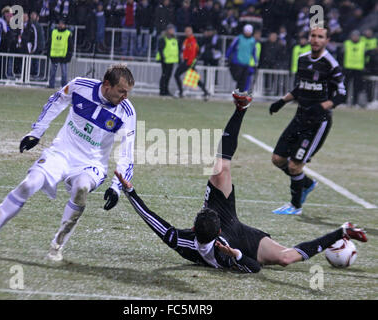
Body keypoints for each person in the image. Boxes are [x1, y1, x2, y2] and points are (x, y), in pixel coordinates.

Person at [114, 91, 367, 274]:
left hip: (225, 217)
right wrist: (236, 254)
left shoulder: (182, 241)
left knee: (220, 167)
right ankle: (341, 230)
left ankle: (240, 108)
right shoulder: (223, 251)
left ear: (193, 227)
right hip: (243, 242)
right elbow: (253, 267)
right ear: (215, 232)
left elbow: (154, 221)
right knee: (286, 258)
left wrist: (130, 191)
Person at [0, 64, 137, 263]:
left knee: (81, 187)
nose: (125, 97)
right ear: (107, 84)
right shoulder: (80, 86)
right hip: (61, 153)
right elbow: (57, 100)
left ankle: (57, 244)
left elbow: (127, 152)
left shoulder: (127, 112)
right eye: (121, 91)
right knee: (29, 183)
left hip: (92, 163)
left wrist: (116, 187)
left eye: (128, 92)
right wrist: (36, 132)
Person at [269, 27, 346, 215]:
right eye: (313, 36)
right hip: (299, 117)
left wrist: (322, 106)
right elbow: (300, 87)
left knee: (295, 165)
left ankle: (295, 206)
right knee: (278, 159)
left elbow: (342, 94)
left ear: (327, 40)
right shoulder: (302, 59)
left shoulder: (331, 64)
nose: (316, 39)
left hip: (318, 122)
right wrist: (281, 102)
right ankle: (307, 183)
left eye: (320, 37)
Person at [174, 26, 209, 100]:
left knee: (176, 75)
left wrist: (189, 63)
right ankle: (205, 92)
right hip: (188, 61)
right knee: (195, 78)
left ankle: (181, 92)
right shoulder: (187, 40)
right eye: (186, 31)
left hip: (188, 62)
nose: (186, 32)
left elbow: (193, 53)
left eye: (188, 31)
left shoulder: (192, 41)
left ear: (191, 32)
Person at [226, 24, 257, 92]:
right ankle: (238, 92)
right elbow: (231, 47)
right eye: (246, 31)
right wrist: (227, 56)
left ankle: (239, 94)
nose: (247, 33)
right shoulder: (238, 38)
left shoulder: (252, 40)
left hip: (246, 63)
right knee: (237, 78)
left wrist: (255, 61)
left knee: (243, 81)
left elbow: (253, 52)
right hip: (237, 62)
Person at [342, 30, 366, 107]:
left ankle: (355, 102)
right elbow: (341, 55)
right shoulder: (347, 44)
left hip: (358, 69)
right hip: (348, 68)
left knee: (357, 87)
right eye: (353, 36)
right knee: (345, 86)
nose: (355, 37)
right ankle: (344, 102)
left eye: (356, 36)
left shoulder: (363, 44)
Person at [47, 18, 73, 89]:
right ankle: (51, 85)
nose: (60, 25)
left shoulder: (67, 33)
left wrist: (69, 56)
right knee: (52, 72)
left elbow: (70, 46)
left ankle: (64, 87)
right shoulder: (54, 32)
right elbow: (50, 43)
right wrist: (48, 53)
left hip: (63, 56)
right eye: (60, 23)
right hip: (54, 55)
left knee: (64, 73)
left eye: (62, 24)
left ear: (65, 25)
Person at [156, 23, 179, 97]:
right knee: (164, 76)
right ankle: (162, 90)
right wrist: (163, 58)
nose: (172, 31)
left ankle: (166, 90)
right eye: (171, 29)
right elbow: (160, 49)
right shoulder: (163, 38)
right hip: (165, 60)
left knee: (168, 76)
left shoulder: (174, 38)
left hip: (171, 60)